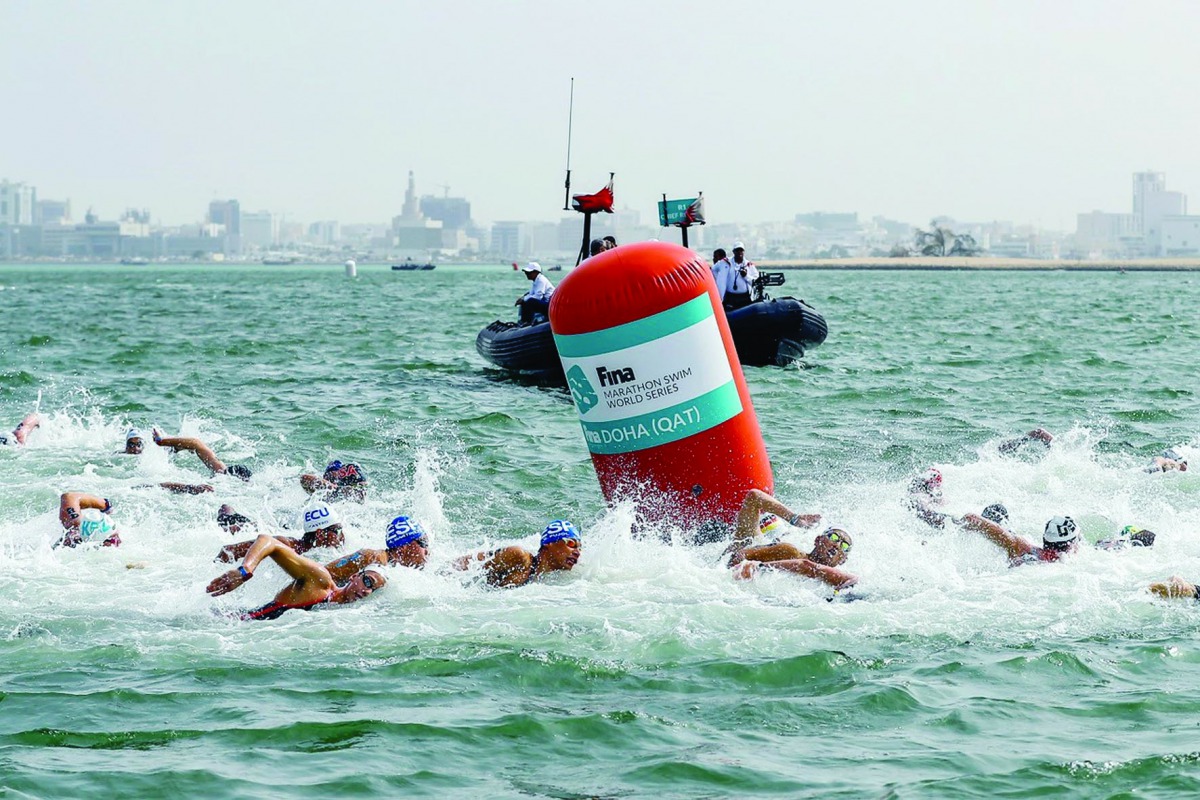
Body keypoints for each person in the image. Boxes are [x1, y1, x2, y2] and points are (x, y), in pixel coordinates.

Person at [206, 533, 386, 621]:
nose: (367, 590)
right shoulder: (320, 582)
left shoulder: (346, 615)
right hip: (233, 625)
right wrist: (244, 571)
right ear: (354, 576)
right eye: (368, 581)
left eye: (373, 588)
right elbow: (268, 540)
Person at [453, 519, 581, 588]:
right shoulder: (519, 557)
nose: (577, 552)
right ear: (549, 543)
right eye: (571, 544)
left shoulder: (545, 577)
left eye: (580, 548)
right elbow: (473, 565)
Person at [731, 525, 859, 591]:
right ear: (818, 540)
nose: (837, 545)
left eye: (845, 546)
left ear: (843, 561)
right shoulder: (789, 552)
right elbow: (741, 555)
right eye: (834, 537)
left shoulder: (831, 582)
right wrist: (741, 571)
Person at [216, 501, 344, 563]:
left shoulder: (329, 551)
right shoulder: (283, 545)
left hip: (280, 529)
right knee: (228, 519)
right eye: (337, 530)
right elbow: (228, 551)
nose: (342, 536)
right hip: (247, 530)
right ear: (321, 534)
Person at [323, 514, 430, 583]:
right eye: (423, 543)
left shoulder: (393, 567)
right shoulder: (374, 558)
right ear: (402, 547)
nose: (427, 550)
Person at [958, 513, 1079, 567]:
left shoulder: (1027, 551)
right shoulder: (1066, 568)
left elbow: (971, 519)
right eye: (1077, 540)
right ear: (1070, 545)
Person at [152, 427, 252, 480]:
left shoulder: (220, 473)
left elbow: (196, 443)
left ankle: (176, 447)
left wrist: (160, 441)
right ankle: (177, 448)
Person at [300, 460, 368, 502]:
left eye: (330, 475)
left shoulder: (348, 492)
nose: (327, 478)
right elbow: (304, 479)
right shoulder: (322, 494)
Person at [723, 241, 759, 310]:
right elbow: (715, 268)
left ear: (744, 252)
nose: (739, 252)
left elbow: (756, 281)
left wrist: (746, 276)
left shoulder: (749, 265)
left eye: (741, 250)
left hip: (744, 297)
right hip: (730, 297)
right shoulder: (727, 262)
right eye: (737, 250)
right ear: (733, 252)